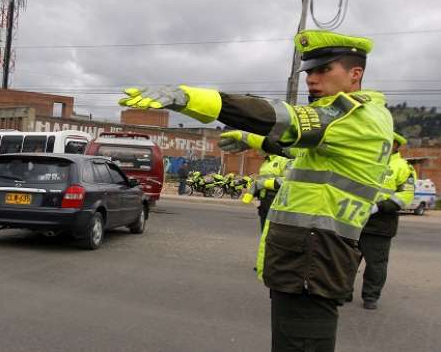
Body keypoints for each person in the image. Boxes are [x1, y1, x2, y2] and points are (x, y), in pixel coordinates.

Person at [119, 30, 393, 352]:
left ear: (355, 73)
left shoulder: (354, 115)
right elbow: (297, 150)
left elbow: (280, 117)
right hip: (307, 260)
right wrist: (252, 140)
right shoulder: (348, 123)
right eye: (309, 72)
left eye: (324, 70)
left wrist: (190, 97)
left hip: (313, 261)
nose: (312, 80)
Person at [352, 132, 416, 310]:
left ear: (396, 145)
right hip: (356, 219)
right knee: (347, 260)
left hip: (381, 223)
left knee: (376, 265)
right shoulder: (366, 161)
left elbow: (406, 195)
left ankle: (370, 297)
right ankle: (343, 292)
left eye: (390, 142)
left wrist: (379, 207)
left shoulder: (403, 167)